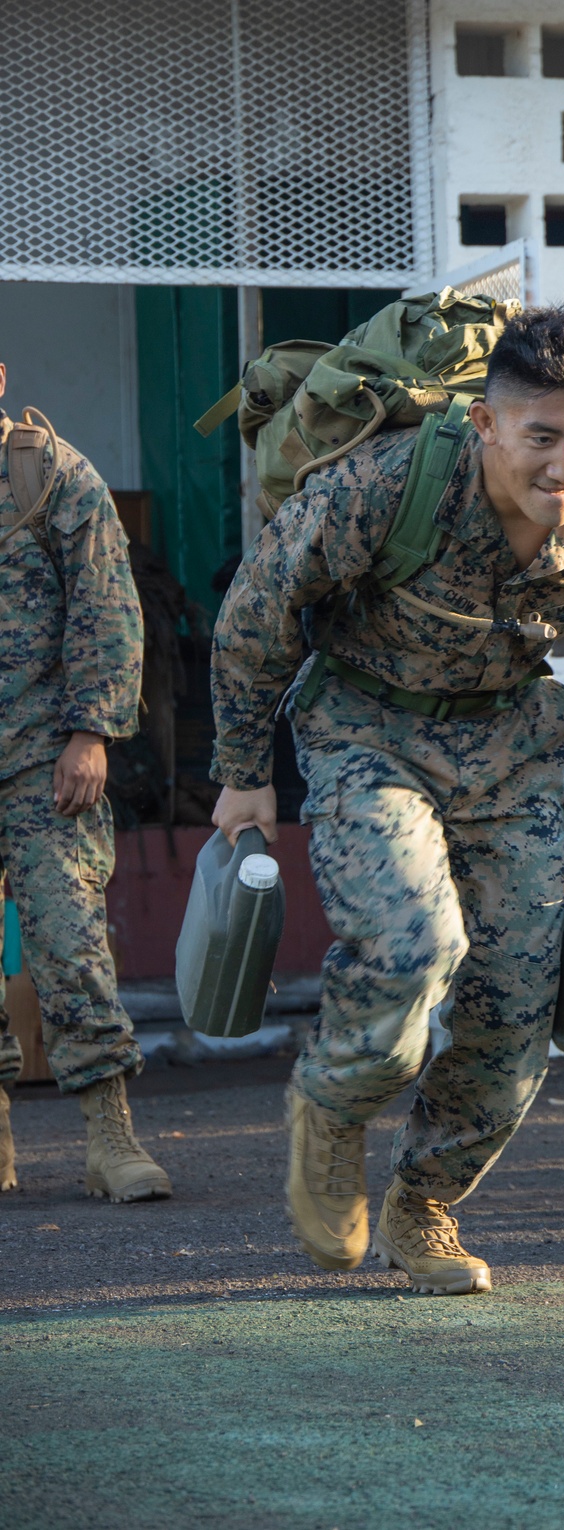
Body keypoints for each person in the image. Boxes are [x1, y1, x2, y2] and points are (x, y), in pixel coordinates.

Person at [210, 303, 564, 1294]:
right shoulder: (390, 485)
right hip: (364, 731)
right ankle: (334, 1104)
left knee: (518, 1005)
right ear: (486, 423)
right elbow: (261, 608)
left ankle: (423, 1201)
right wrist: (242, 771)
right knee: (411, 942)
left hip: (509, 749)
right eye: (541, 438)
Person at [0, 373, 171, 1203]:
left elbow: (108, 603)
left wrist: (90, 732)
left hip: (44, 756)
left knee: (69, 945)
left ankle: (111, 1137)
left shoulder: (52, 473)